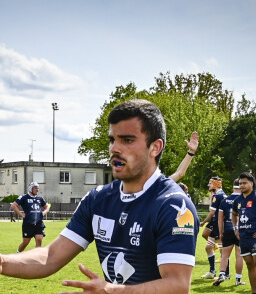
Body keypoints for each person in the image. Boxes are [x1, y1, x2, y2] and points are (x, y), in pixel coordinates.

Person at [0, 99, 200, 293]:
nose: (114, 148)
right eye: (112, 140)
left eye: (127, 140)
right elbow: (50, 257)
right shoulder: (98, 199)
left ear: (155, 147)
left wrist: (112, 291)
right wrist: (2, 262)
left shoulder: (174, 206)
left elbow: (177, 286)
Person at [213, 179, 245, 286]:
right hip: (240, 229)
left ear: (232, 187)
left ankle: (222, 274)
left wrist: (221, 232)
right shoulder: (243, 199)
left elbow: (220, 219)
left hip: (227, 228)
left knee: (225, 255)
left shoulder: (225, 201)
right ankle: (238, 279)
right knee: (239, 255)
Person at [11, 182, 50, 252]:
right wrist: (21, 214)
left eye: (38, 188)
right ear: (31, 189)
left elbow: (47, 207)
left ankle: (37, 258)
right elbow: (13, 205)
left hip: (39, 223)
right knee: (26, 242)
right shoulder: (24, 197)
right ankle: (18, 253)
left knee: (39, 240)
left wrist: (43, 213)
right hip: (28, 223)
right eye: (35, 188)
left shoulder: (40, 198)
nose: (37, 190)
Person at [200, 176, 227, 279]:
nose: (208, 185)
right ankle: (212, 272)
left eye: (210, 183)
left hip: (218, 224)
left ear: (216, 184)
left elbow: (211, 213)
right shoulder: (219, 195)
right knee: (208, 247)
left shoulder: (218, 196)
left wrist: (204, 222)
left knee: (222, 250)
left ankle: (225, 274)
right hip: (216, 223)